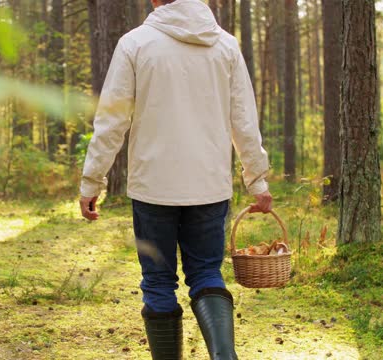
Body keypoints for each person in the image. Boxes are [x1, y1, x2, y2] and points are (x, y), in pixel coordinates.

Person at [78, 0, 272, 358]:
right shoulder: (225, 45)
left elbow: (111, 121)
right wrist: (256, 179)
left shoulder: (135, 43)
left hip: (153, 189)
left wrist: (93, 181)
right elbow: (243, 119)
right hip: (209, 186)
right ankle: (224, 356)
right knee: (206, 274)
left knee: (158, 282)